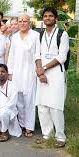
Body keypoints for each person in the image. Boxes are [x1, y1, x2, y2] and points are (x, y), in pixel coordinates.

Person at [35, 7, 69, 148]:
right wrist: (40, 71)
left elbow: (62, 56)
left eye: (50, 16)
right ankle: (46, 135)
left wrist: (45, 68)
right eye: (45, 16)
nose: (47, 18)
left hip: (56, 73)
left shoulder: (62, 34)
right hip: (42, 72)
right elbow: (37, 54)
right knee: (42, 105)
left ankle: (60, 137)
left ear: (55, 18)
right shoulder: (41, 34)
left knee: (56, 106)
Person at [7, 14, 40, 137]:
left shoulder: (36, 36)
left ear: (29, 23)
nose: (22, 23)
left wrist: (38, 70)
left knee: (29, 99)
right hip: (16, 72)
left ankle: (29, 126)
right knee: (18, 99)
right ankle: (21, 123)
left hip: (30, 72)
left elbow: (38, 54)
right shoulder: (14, 37)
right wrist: (10, 73)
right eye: (20, 21)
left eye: (24, 21)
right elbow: (11, 56)